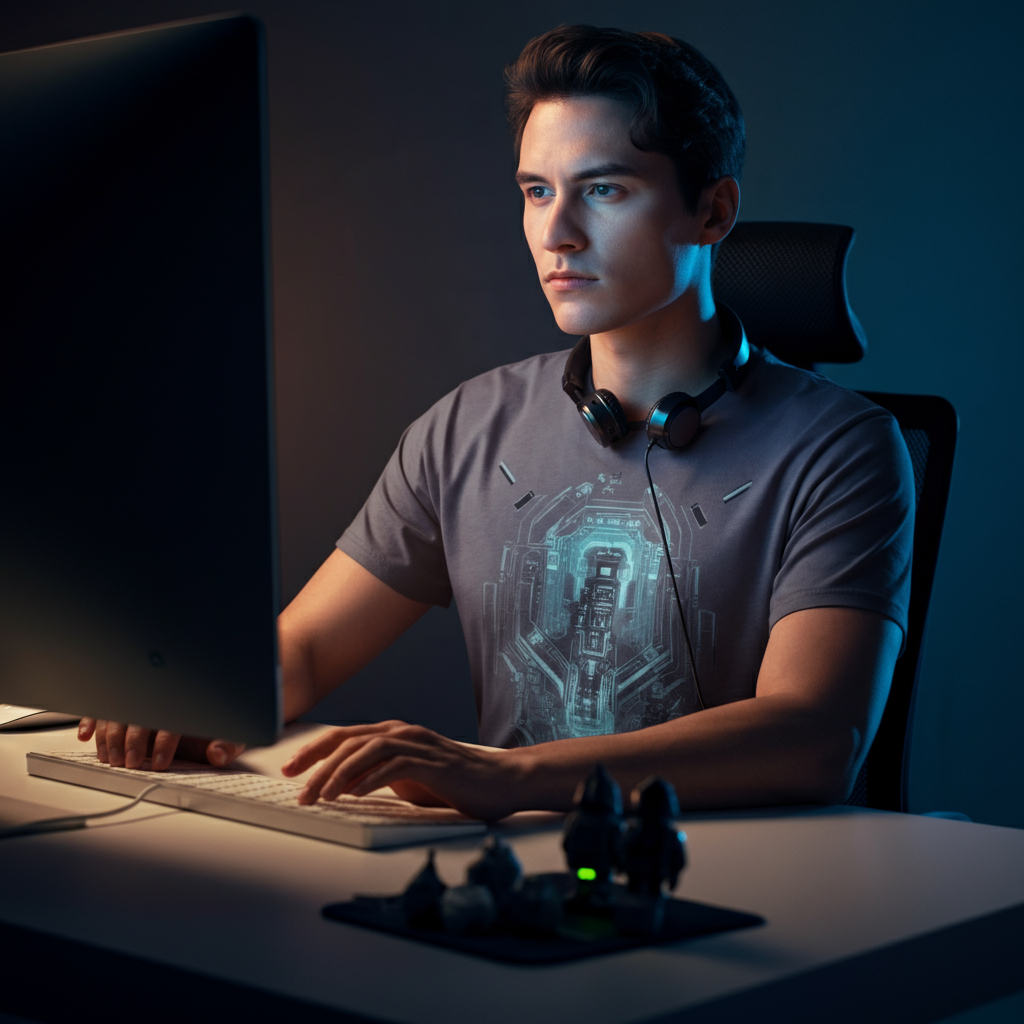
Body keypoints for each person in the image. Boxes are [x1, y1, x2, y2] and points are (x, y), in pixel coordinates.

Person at [79, 25, 913, 820]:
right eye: (537, 191)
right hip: (509, 871)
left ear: (713, 213)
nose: (557, 233)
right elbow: (298, 655)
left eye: (605, 190)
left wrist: (505, 775)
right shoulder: (467, 426)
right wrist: (188, 702)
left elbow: (814, 736)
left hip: (740, 884)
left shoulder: (840, 450)